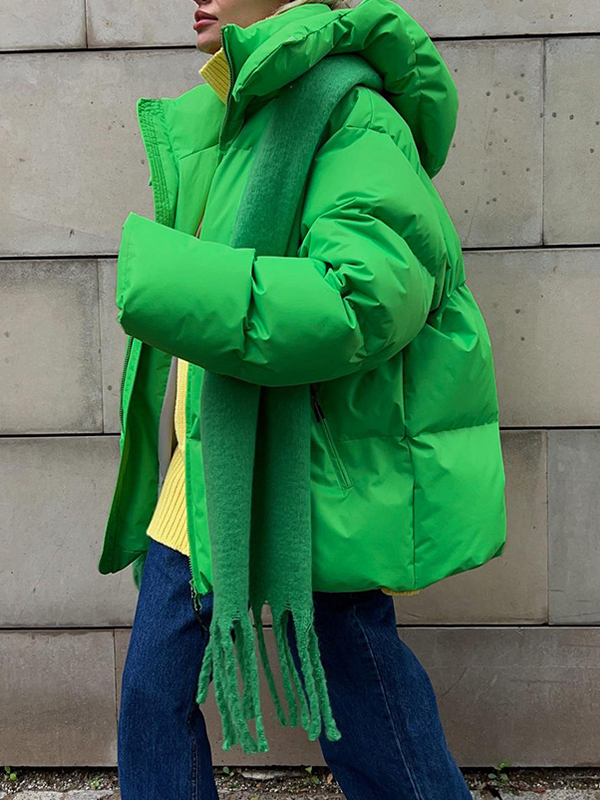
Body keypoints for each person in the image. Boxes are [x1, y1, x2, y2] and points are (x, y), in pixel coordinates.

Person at [98, 0, 507, 797]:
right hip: (212, 463)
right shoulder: (245, 114)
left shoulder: (351, 114)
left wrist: (174, 284)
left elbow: (366, 299)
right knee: (153, 696)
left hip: (304, 469)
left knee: (360, 696)